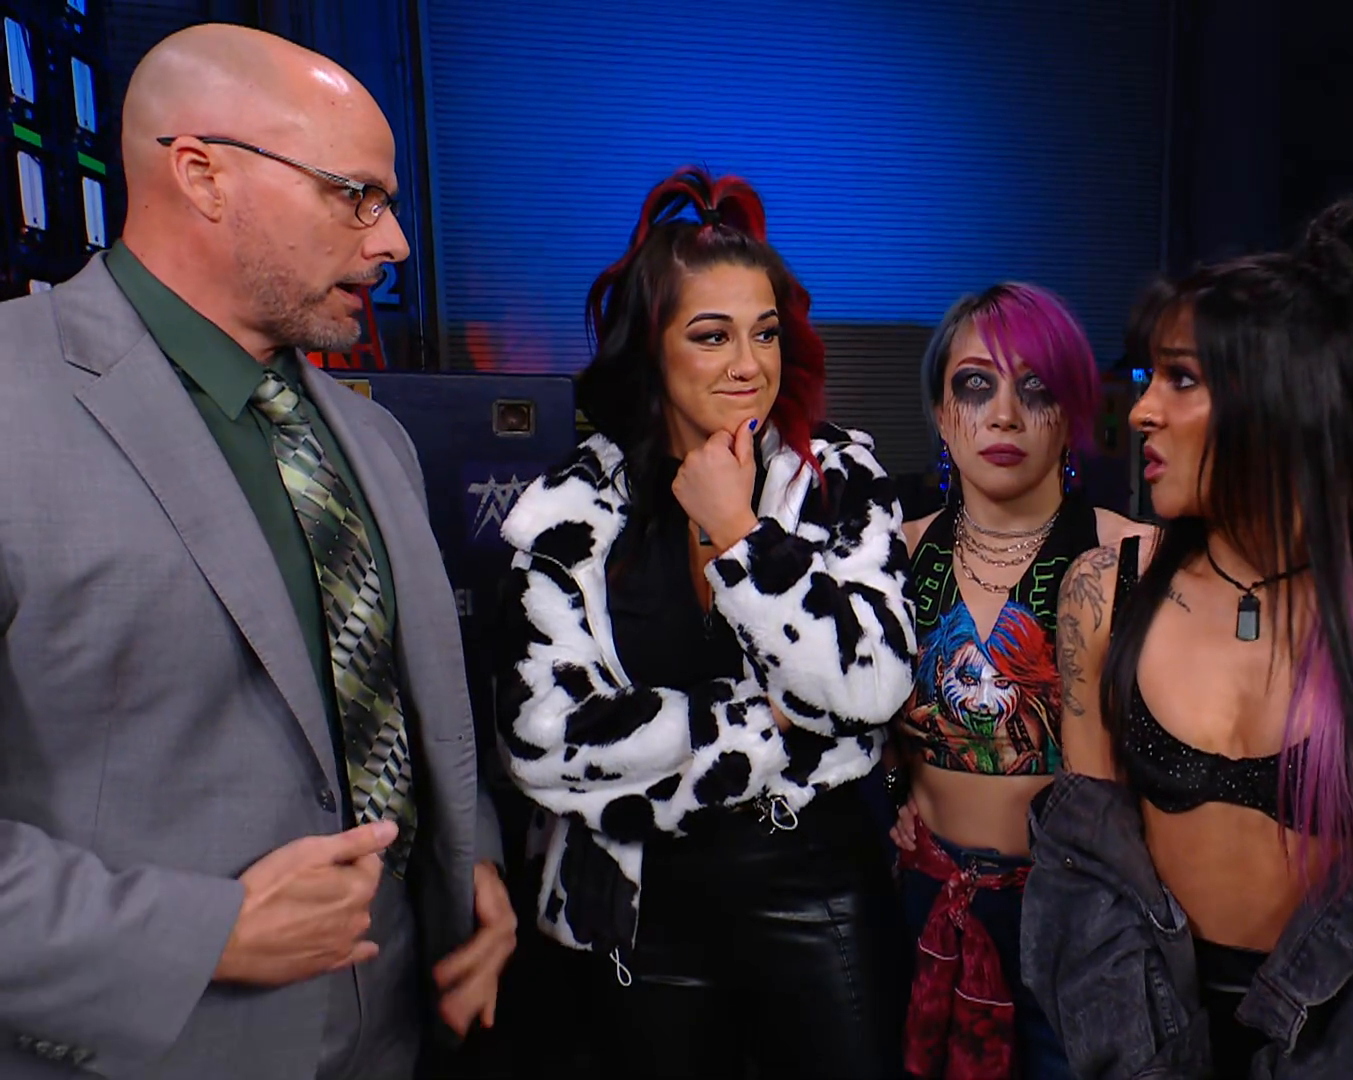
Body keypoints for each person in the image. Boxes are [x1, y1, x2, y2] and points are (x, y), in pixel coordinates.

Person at [0, 24, 512, 1080]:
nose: (393, 241)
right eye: (356, 196)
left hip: (401, 1036)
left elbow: (407, 714)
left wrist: (473, 861)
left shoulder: (372, 440)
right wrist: (198, 935)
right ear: (203, 175)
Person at [1023, 203, 1353, 1079]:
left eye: (1180, 379)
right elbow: (1088, 874)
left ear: (1283, 398)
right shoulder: (1105, 594)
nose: (1140, 412)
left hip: (1345, 1044)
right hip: (1151, 1028)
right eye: (1147, 377)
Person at [492, 166, 916, 1078]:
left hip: (814, 889)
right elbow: (544, 740)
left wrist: (739, 535)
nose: (748, 364)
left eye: (765, 333)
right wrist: (767, 729)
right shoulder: (571, 508)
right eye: (712, 335)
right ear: (651, 348)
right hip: (641, 907)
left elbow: (872, 687)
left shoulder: (839, 477)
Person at [885, 283, 1151, 1079]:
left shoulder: (1134, 556)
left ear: (1070, 414)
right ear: (941, 413)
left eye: (1035, 389)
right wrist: (891, 789)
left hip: (1077, 920)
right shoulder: (892, 555)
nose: (1003, 414)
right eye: (976, 384)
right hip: (925, 904)